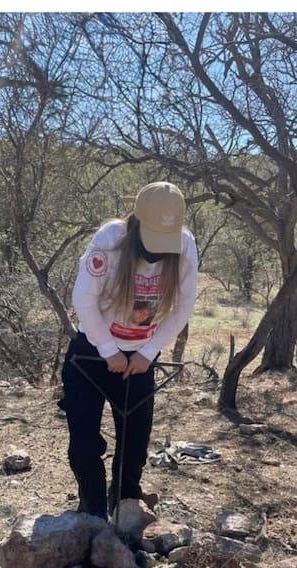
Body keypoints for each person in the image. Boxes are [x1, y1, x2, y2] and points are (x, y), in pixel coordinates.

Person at [60, 181, 199, 520]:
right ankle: (91, 512)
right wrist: (109, 350)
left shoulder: (185, 245)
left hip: (139, 361)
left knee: (134, 444)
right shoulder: (109, 240)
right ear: (136, 221)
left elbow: (183, 306)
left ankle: (124, 511)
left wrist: (148, 351)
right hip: (91, 355)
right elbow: (84, 299)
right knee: (84, 443)